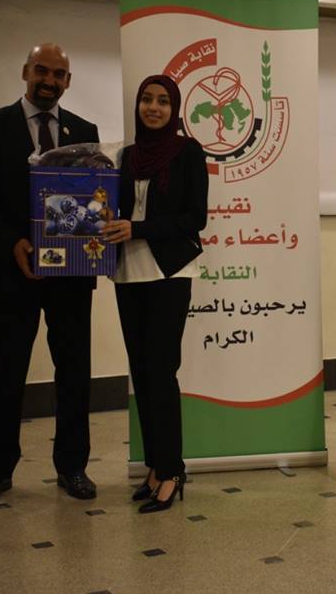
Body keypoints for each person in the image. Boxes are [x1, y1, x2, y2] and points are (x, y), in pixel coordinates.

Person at [0, 44, 99, 507]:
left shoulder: (85, 132)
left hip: (72, 275)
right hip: (12, 271)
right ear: (26, 71)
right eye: (42, 70)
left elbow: (94, 198)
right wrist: (12, 242)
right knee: (5, 372)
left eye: (59, 74)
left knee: (74, 372)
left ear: (68, 81)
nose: (49, 80)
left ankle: (73, 467)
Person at [102, 75, 207, 513]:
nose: (154, 107)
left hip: (169, 272)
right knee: (142, 375)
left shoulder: (188, 152)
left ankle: (172, 470)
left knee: (162, 373)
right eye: (147, 99)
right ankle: (154, 467)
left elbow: (195, 218)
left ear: (174, 109)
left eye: (163, 101)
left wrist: (138, 228)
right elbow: (115, 208)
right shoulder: (126, 157)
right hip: (129, 274)